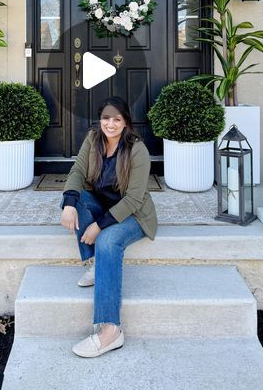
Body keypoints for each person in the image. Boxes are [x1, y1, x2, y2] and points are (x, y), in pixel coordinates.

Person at [60, 96, 158, 358]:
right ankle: (95, 263)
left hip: (134, 215)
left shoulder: (137, 149)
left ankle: (111, 330)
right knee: (74, 198)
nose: (110, 124)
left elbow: (135, 198)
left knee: (107, 241)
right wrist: (69, 203)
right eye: (106, 118)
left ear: (125, 121)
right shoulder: (93, 139)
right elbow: (78, 171)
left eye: (117, 119)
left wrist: (99, 226)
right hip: (103, 205)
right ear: (99, 120)